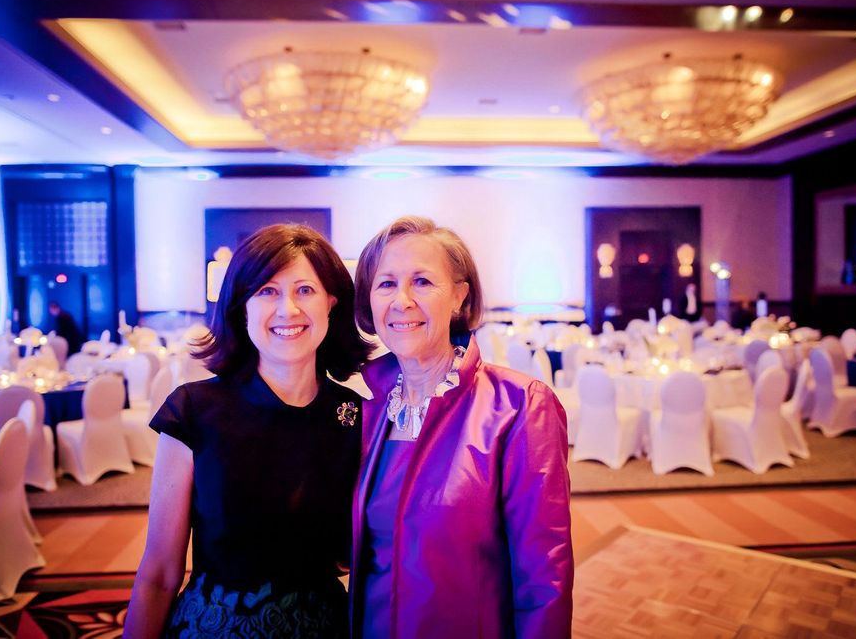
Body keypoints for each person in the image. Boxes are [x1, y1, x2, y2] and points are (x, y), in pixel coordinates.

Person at [124, 224, 371, 638]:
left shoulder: (356, 417)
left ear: (331, 301)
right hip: (214, 628)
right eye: (267, 291)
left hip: (323, 628)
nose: (288, 309)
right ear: (242, 307)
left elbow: (358, 555)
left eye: (305, 290)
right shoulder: (193, 411)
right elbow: (160, 573)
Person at [351, 216, 573, 638]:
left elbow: (544, 579)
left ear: (459, 296)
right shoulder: (366, 406)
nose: (402, 300)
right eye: (386, 284)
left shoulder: (519, 406)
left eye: (422, 282)